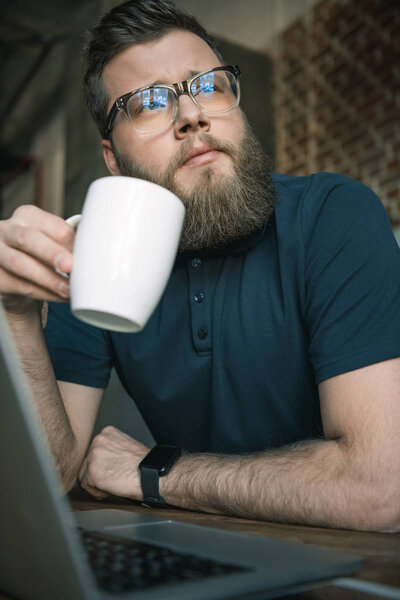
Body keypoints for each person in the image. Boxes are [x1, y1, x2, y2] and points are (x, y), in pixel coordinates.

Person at [1, 0, 400, 532]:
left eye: (209, 84)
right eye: (148, 102)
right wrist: (16, 312)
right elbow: (52, 476)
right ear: (113, 160)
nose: (192, 114)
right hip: (194, 559)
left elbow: (380, 489)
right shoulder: (95, 254)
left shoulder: (334, 215)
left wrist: (158, 474)